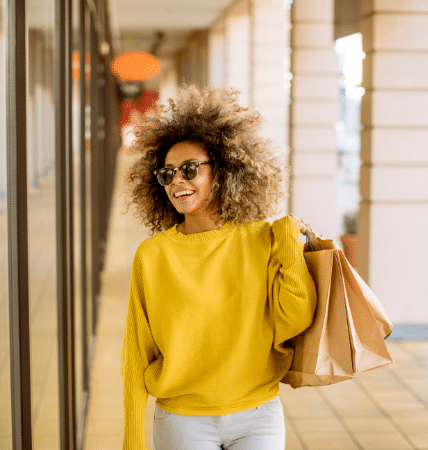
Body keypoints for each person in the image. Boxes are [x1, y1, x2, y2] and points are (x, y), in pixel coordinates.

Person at [122, 86, 318, 450]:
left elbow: (295, 320)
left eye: (190, 169)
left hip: (257, 415)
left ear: (225, 170)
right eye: (167, 174)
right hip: (182, 421)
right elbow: (136, 353)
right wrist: (132, 441)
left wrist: (290, 250)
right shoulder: (152, 256)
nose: (177, 181)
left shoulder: (264, 239)